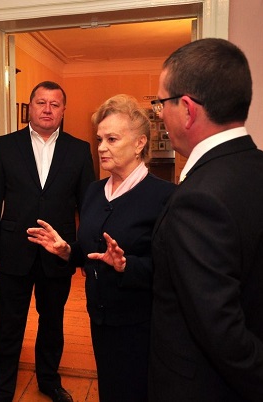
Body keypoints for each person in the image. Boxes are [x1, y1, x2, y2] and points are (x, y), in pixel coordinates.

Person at [148, 38, 263, 401]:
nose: (159, 114)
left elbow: (223, 333)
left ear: (187, 109)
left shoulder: (198, 199)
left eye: (161, 103)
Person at [27, 94, 175, 402]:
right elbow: (90, 250)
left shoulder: (164, 197)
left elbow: (171, 268)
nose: (102, 147)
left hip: (140, 323)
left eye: (112, 139)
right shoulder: (95, 191)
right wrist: (67, 251)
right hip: (100, 318)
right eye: (99, 139)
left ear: (139, 144)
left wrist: (126, 265)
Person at [0, 81, 95, 402]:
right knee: (8, 326)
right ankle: (1, 389)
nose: (47, 109)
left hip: (57, 253)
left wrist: (82, 254)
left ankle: (49, 381)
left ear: (63, 110)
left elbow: (88, 206)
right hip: (12, 251)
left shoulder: (79, 149)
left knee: (52, 323)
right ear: (29, 107)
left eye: (54, 104)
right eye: (41, 103)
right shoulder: (4, 146)